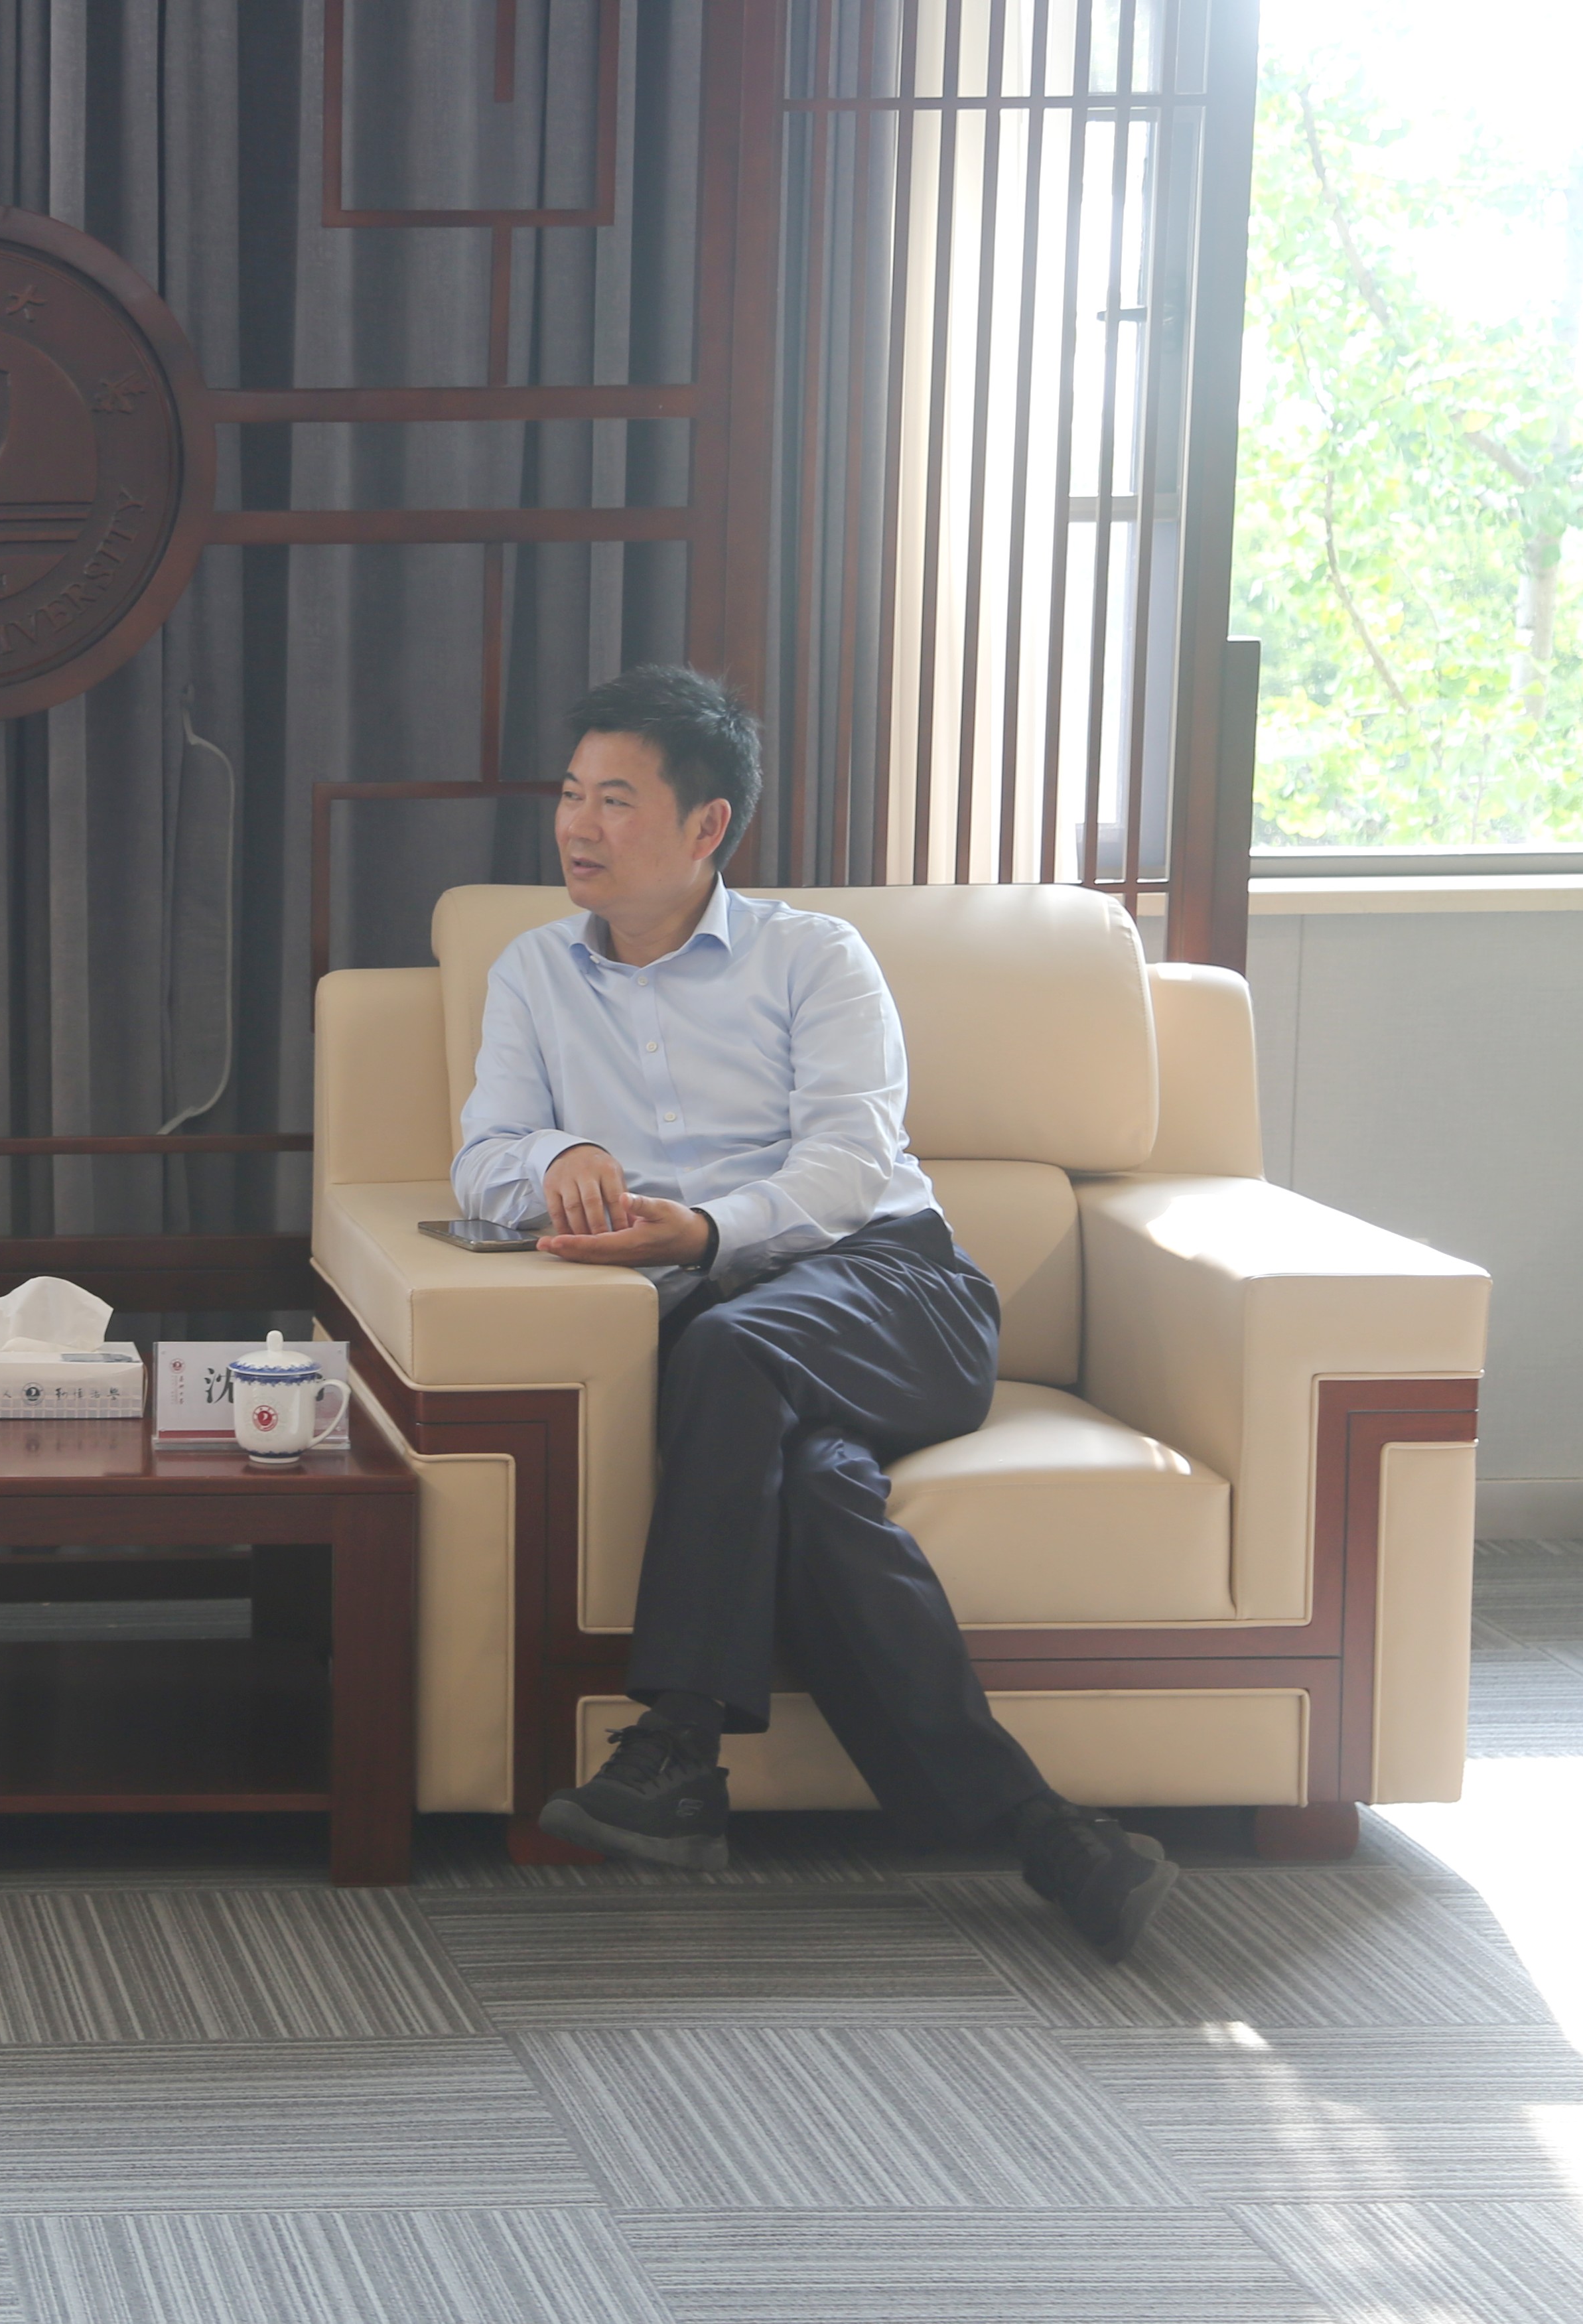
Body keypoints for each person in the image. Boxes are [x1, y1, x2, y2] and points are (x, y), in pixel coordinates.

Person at [456, 665, 1180, 1962]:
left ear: (706, 826)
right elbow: (481, 1163)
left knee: (731, 1343)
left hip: (894, 1290)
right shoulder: (533, 974)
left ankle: (679, 1741)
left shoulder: (813, 958)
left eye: (615, 800)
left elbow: (851, 1164)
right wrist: (560, 1153)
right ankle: (1049, 1834)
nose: (576, 825)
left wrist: (707, 1232)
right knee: (818, 1493)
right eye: (569, 794)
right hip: (733, 1339)